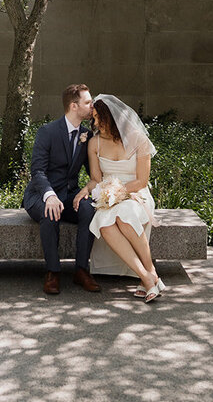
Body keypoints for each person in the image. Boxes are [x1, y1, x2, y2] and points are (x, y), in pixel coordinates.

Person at [74, 93, 165, 302]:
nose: (95, 123)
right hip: (108, 196)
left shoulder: (139, 140)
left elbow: (142, 180)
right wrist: (84, 191)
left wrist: (118, 191)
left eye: (99, 118)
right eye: (93, 118)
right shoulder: (94, 143)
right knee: (103, 223)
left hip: (135, 193)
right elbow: (96, 179)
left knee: (125, 215)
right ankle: (148, 278)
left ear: (113, 118)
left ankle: (149, 273)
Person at [23, 83, 101, 295]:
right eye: (87, 102)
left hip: (69, 195)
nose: (92, 105)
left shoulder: (87, 136)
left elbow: (95, 173)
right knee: (50, 214)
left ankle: (81, 270)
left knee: (88, 210)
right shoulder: (47, 132)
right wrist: (49, 196)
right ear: (74, 106)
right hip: (40, 195)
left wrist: (88, 190)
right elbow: (37, 171)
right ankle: (53, 272)